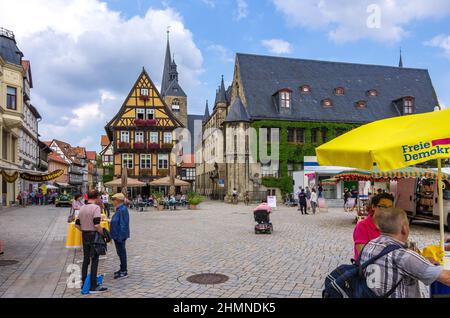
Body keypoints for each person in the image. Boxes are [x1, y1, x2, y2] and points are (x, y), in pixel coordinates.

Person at [360, 208, 450, 298]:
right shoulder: (403, 255)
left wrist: (423, 260)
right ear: (404, 228)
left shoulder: (369, 245)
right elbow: (447, 278)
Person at [75, 190, 108, 293]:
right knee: (94, 260)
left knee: (86, 259)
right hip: (94, 236)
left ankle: (84, 282)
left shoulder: (82, 208)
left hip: (84, 235)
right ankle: (93, 286)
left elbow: (77, 225)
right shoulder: (96, 208)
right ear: (97, 197)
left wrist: (84, 229)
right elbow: (97, 224)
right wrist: (103, 233)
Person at [353, 192, 394, 260]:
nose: (387, 210)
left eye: (390, 207)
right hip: (367, 267)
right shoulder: (362, 226)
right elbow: (363, 254)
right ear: (373, 207)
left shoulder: (391, 225)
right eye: (383, 206)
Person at [110, 193, 130, 280]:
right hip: (117, 235)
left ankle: (124, 271)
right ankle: (122, 268)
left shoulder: (122, 209)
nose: (112, 201)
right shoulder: (119, 209)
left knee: (122, 253)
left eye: (113, 199)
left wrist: (120, 236)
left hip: (120, 235)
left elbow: (123, 224)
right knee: (120, 252)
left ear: (117, 200)